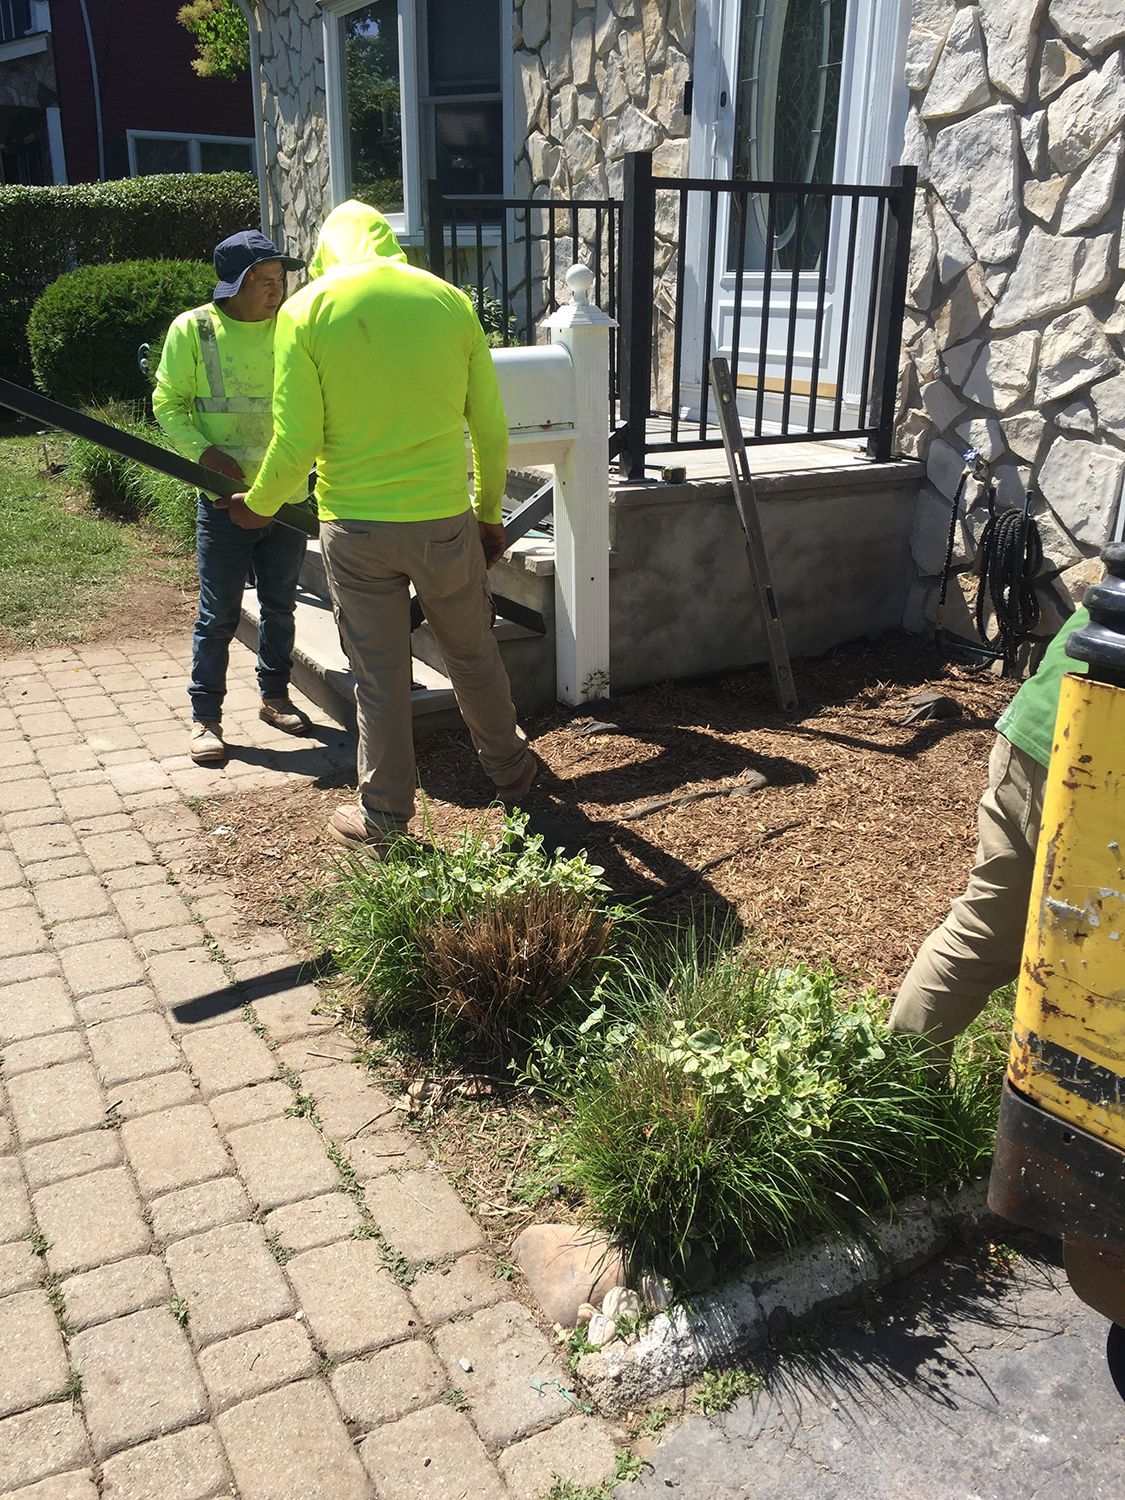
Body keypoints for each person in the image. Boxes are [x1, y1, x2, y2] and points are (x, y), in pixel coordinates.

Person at [225, 201, 536, 848]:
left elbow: (298, 440)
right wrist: (488, 514)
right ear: (388, 245)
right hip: (443, 519)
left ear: (326, 254)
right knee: (473, 654)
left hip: (356, 528)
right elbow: (490, 427)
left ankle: (386, 815)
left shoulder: (306, 311)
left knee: (379, 677)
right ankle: (515, 777)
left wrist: (258, 504)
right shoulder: (449, 301)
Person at [888, 608, 1090, 1049]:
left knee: (986, 931)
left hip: (1040, 722)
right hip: (1089, 749)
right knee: (1085, 952)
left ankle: (894, 1074)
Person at [153, 229, 314, 763]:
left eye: (279, 279)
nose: (276, 290)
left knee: (280, 605)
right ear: (236, 284)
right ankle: (206, 718)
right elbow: (168, 402)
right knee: (218, 612)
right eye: (263, 280)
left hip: (288, 497)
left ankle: (275, 696)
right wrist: (204, 455)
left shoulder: (292, 327)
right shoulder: (194, 329)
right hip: (225, 501)